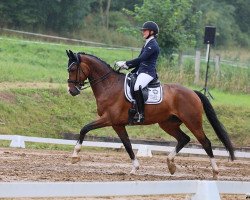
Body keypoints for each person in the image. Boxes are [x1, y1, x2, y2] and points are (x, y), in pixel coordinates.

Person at [116, 21, 160, 123]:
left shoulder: (153, 45)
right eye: (143, 31)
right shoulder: (147, 43)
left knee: (137, 86)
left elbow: (141, 59)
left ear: (152, 32)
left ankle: (140, 113)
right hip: (141, 71)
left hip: (148, 72)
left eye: (145, 30)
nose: (143, 32)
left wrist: (126, 63)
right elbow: (140, 60)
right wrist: (126, 67)